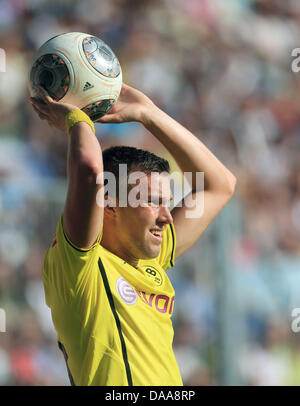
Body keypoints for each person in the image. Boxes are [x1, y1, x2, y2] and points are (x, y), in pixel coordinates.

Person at [30, 82, 236, 386]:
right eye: (153, 201)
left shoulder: (151, 260)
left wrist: (149, 114)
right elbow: (89, 170)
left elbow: (220, 185)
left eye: (166, 203)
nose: (167, 216)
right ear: (110, 203)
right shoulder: (79, 266)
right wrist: (78, 121)